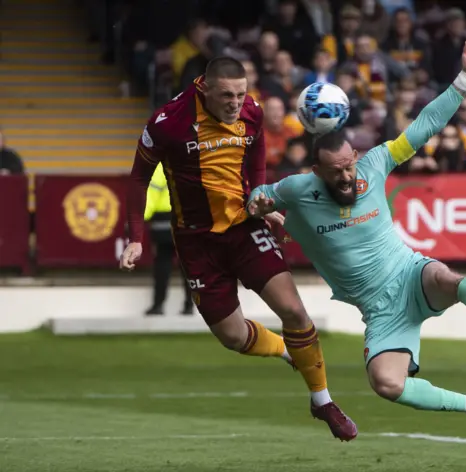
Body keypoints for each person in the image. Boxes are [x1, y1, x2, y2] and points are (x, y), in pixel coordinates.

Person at [247, 36, 466, 437]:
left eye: (350, 166)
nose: (349, 177)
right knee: (387, 384)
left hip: (410, 274)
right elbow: (261, 195)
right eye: (337, 172)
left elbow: (425, 126)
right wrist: (259, 204)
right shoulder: (298, 189)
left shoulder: (375, 164)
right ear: (317, 171)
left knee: (449, 281)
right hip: (381, 312)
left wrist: (465, 78)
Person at [119, 57, 357, 442]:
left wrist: (261, 198)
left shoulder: (252, 111)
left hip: (244, 227)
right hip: (196, 241)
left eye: (241, 93)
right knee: (231, 336)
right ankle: (285, 351)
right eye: (227, 95)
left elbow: (258, 147)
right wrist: (135, 237)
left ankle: (323, 401)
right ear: (205, 89)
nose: (235, 102)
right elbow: (138, 177)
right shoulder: (168, 123)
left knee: (294, 310)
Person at [143, 164, 194, 315]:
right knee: (188, 266)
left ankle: (158, 305)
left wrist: (141, 218)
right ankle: (189, 305)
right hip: (186, 218)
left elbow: (151, 195)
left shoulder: (159, 168)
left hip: (162, 220)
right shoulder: (189, 164)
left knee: (162, 264)